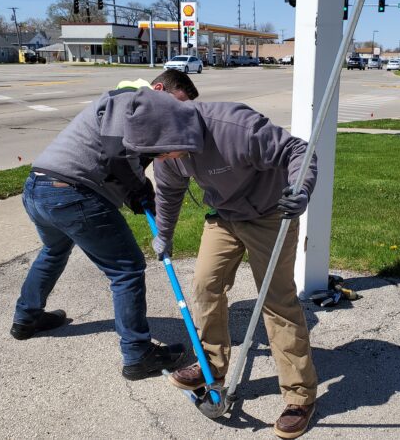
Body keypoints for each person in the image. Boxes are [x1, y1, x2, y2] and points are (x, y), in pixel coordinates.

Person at [120, 89, 318, 439]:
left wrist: (299, 189)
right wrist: (163, 236)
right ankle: (212, 364)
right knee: (204, 285)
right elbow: (168, 194)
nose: (161, 158)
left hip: (271, 215)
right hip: (224, 216)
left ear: (174, 129)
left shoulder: (234, 126)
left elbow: (297, 150)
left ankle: (300, 396)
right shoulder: (169, 156)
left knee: (277, 302)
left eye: (162, 150)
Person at [10, 70, 198, 381]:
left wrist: (136, 194)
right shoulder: (131, 98)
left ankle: (26, 318)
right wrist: (140, 190)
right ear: (159, 89)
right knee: (126, 269)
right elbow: (116, 155)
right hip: (69, 192)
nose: (178, 114)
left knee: (54, 250)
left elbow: (119, 167)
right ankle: (138, 354)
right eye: (177, 104)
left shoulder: (140, 116)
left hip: (40, 189)